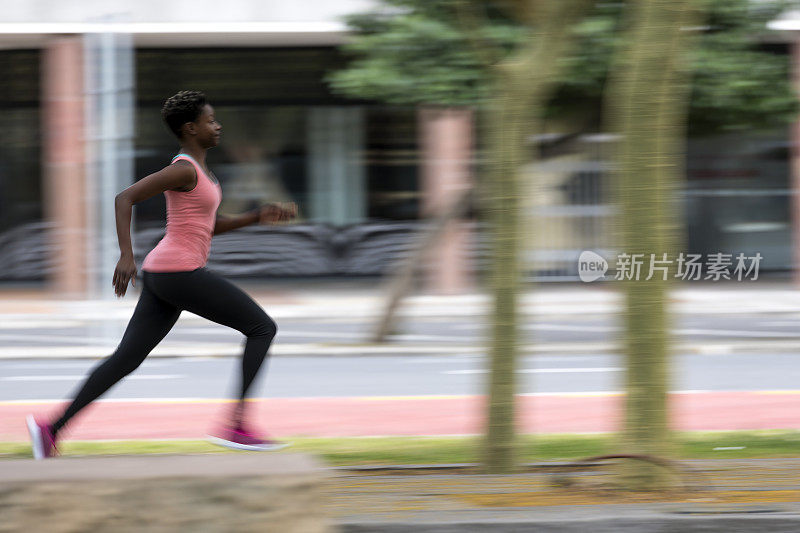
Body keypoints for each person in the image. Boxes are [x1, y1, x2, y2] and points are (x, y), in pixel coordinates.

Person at [26, 90, 297, 459]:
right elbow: (125, 198)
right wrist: (125, 256)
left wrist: (256, 216)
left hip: (165, 273)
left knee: (126, 359)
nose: (217, 126)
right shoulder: (183, 169)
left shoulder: (197, 171)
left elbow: (207, 226)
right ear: (190, 128)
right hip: (178, 272)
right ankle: (236, 425)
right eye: (210, 121)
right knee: (262, 328)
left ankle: (50, 430)